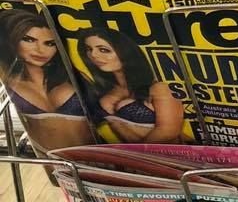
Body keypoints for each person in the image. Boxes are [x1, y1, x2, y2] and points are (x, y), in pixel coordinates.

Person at [0, 9, 94, 151]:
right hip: (49, 158)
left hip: (96, 157)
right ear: (13, 39)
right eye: (29, 40)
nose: (40, 50)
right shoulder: (7, 74)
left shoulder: (74, 76)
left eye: (50, 43)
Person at [77, 25, 183, 143]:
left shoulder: (158, 89)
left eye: (103, 50)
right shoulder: (100, 89)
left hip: (161, 157)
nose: (94, 55)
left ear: (125, 52)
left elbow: (168, 131)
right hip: (122, 157)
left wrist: (140, 157)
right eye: (89, 49)